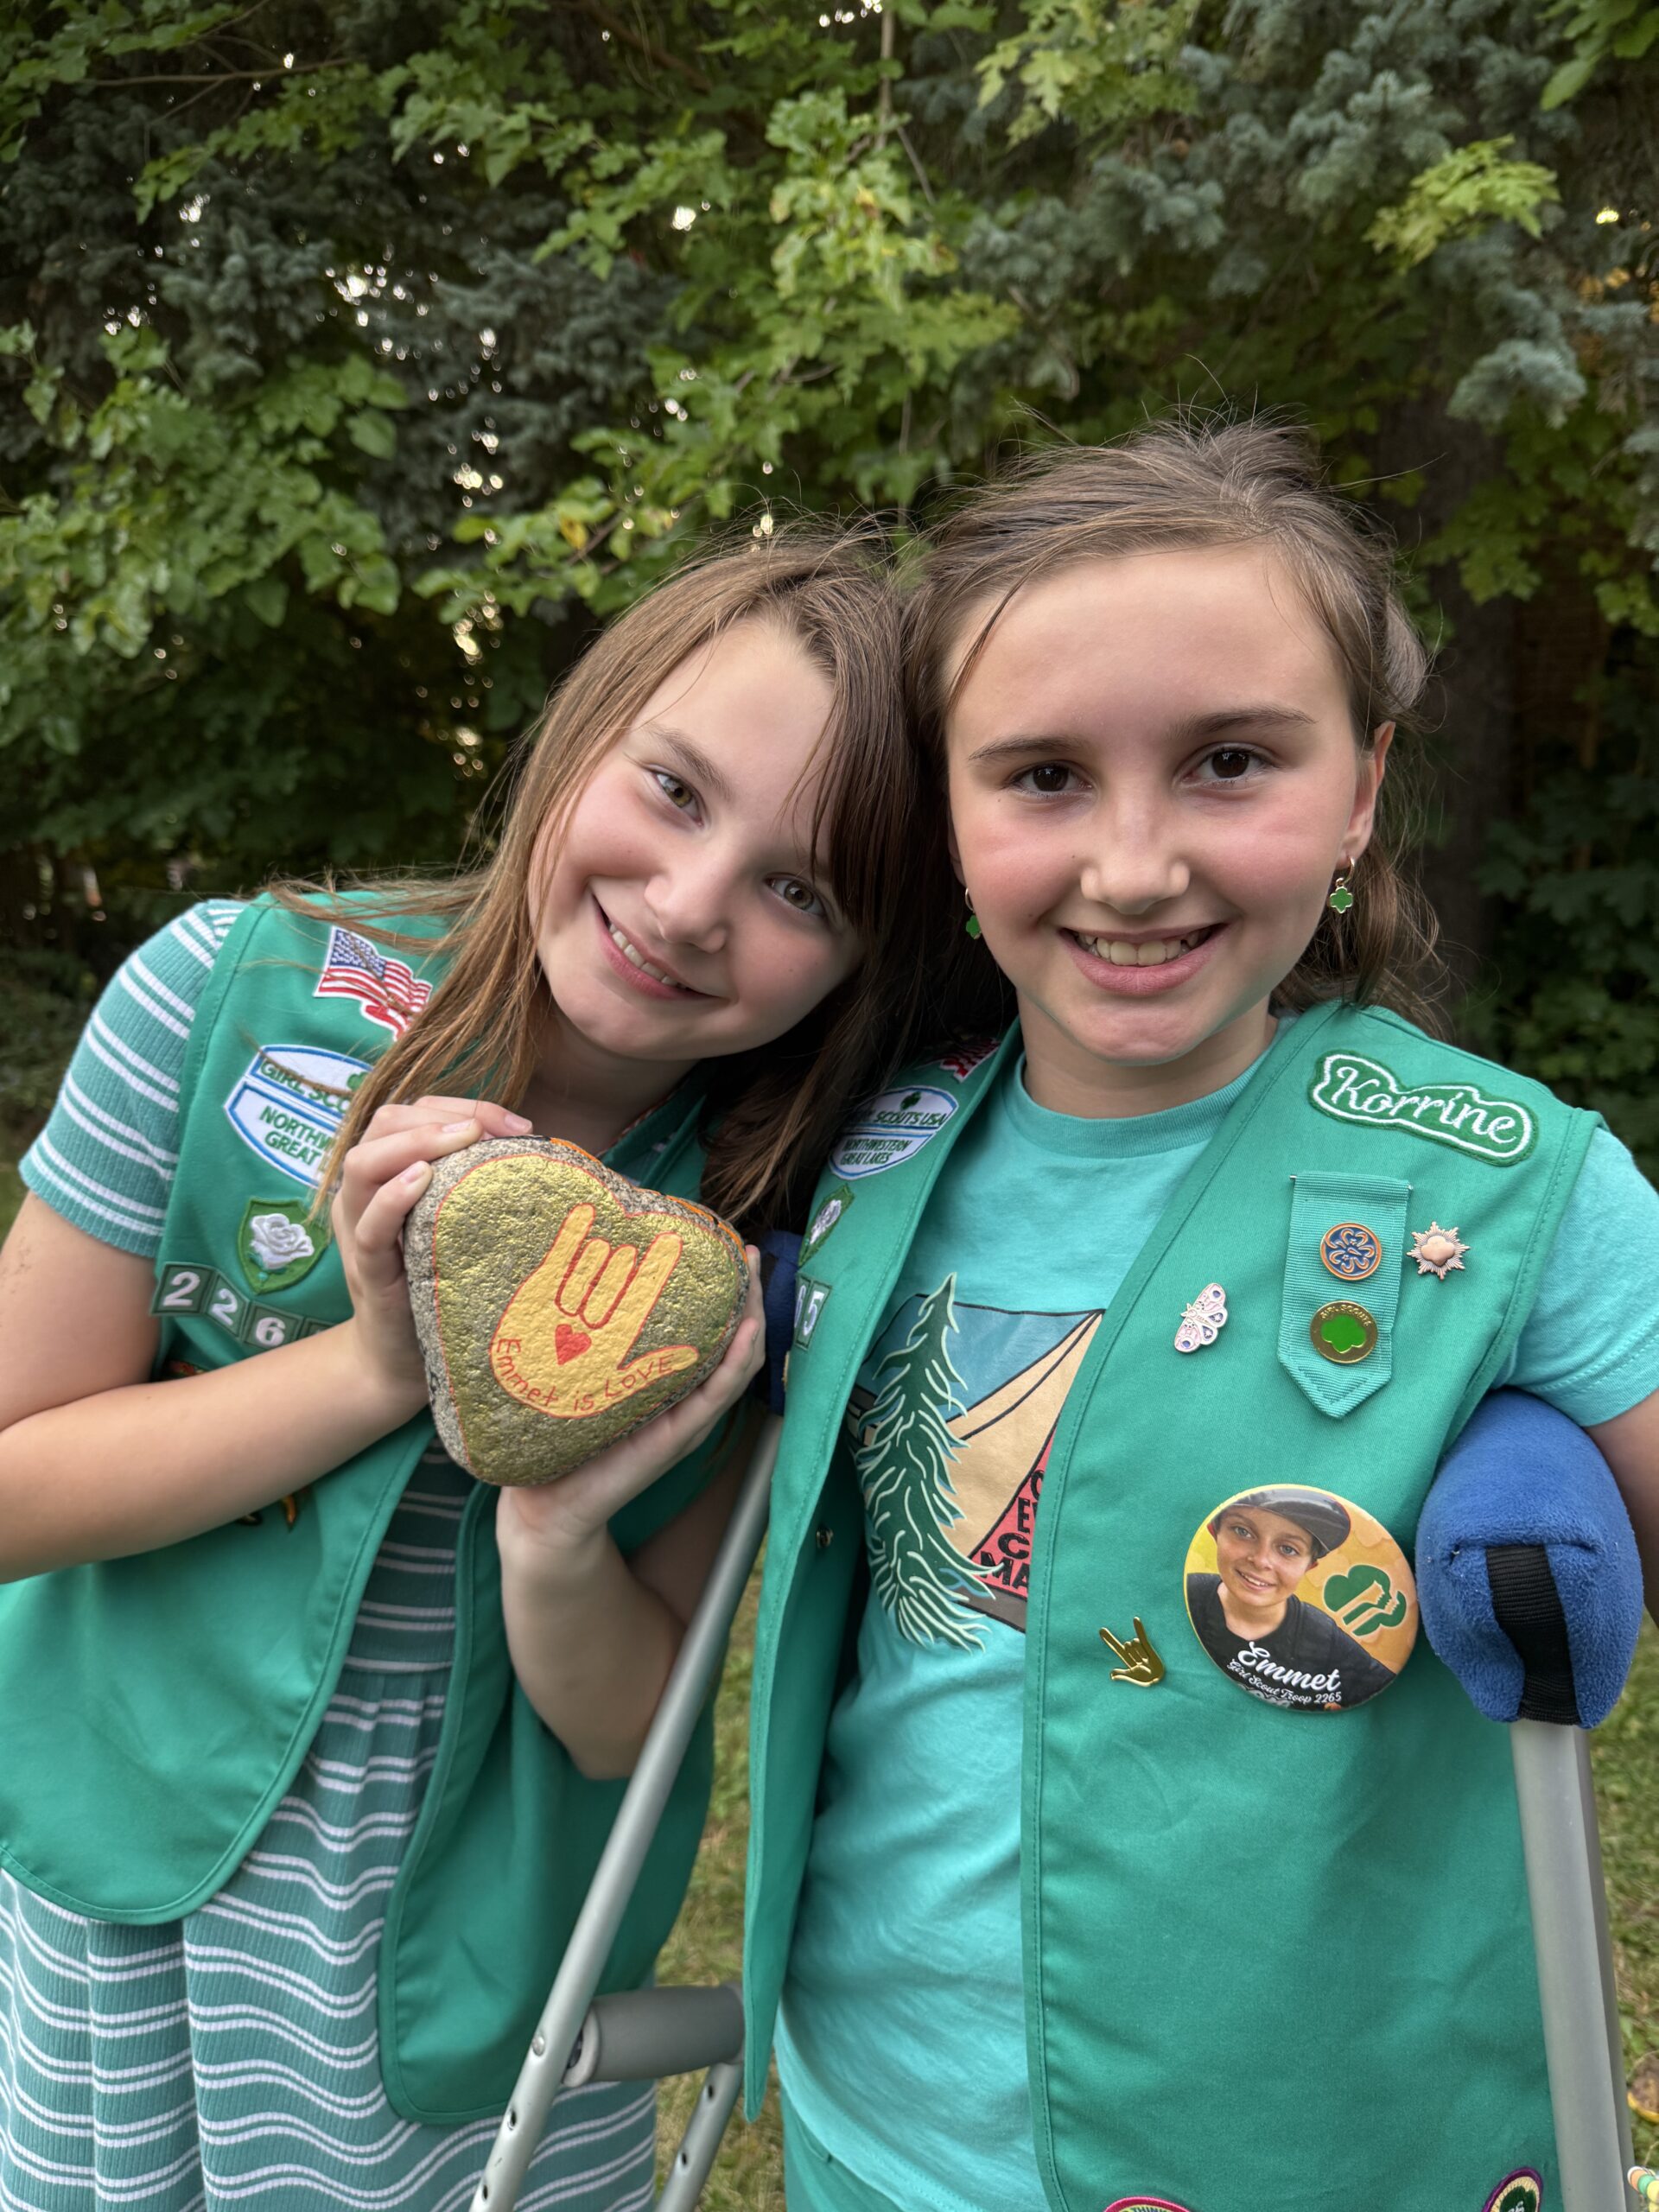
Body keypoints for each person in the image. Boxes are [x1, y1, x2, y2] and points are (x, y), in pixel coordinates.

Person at [736, 422, 1659, 2212]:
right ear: (949, 803)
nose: (1137, 862)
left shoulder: (1514, 1184)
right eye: (1045, 776)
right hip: (882, 2109)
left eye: (1230, 760)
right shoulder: (870, 1153)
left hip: (1314, 2136)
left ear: (1366, 783)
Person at [0, 529, 925, 2209]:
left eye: (803, 889)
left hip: (479, 1954)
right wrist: (377, 1363)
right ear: (586, 729)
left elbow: (636, 1722)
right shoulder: (222, 997)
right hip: (124, 1883)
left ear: (866, 954)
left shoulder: (770, 1225)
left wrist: (559, 1531)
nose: (690, 901)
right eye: (673, 787)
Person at [1185, 1488, 1396, 1709]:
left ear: (1309, 1566)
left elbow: (1388, 1693)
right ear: (1214, 1531)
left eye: (1288, 1549)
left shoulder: (1322, 1637)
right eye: (1242, 1531)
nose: (1260, 1560)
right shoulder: (1192, 1592)